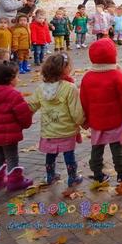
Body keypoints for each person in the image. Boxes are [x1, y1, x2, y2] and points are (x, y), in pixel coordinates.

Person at [79, 39, 122, 183]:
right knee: (117, 148)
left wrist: (85, 119)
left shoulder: (87, 77)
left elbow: (83, 100)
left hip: (96, 121)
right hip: (115, 121)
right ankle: (121, 173)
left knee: (96, 148)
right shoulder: (117, 75)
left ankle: (98, 173)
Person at [27, 53, 85, 186]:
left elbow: (32, 105)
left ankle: (50, 175)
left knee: (51, 154)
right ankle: (72, 176)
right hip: (67, 129)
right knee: (69, 154)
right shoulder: (70, 88)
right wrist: (82, 122)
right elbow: (76, 111)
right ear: (64, 69)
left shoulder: (41, 88)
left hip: (49, 129)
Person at [0, 62, 34, 192]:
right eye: (16, 77)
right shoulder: (13, 94)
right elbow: (23, 114)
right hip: (8, 134)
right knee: (12, 157)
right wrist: (25, 124)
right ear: (9, 79)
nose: (18, 80)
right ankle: (15, 181)